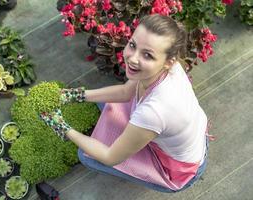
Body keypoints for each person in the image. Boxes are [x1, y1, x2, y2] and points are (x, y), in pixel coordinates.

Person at [40, 14, 209, 193]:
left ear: (168, 62)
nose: (132, 58)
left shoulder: (154, 111)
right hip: (188, 134)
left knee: (86, 156)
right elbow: (125, 92)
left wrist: (62, 127)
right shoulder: (171, 67)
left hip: (178, 168)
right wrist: (75, 95)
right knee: (107, 106)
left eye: (147, 55)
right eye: (133, 45)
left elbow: (110, 157)